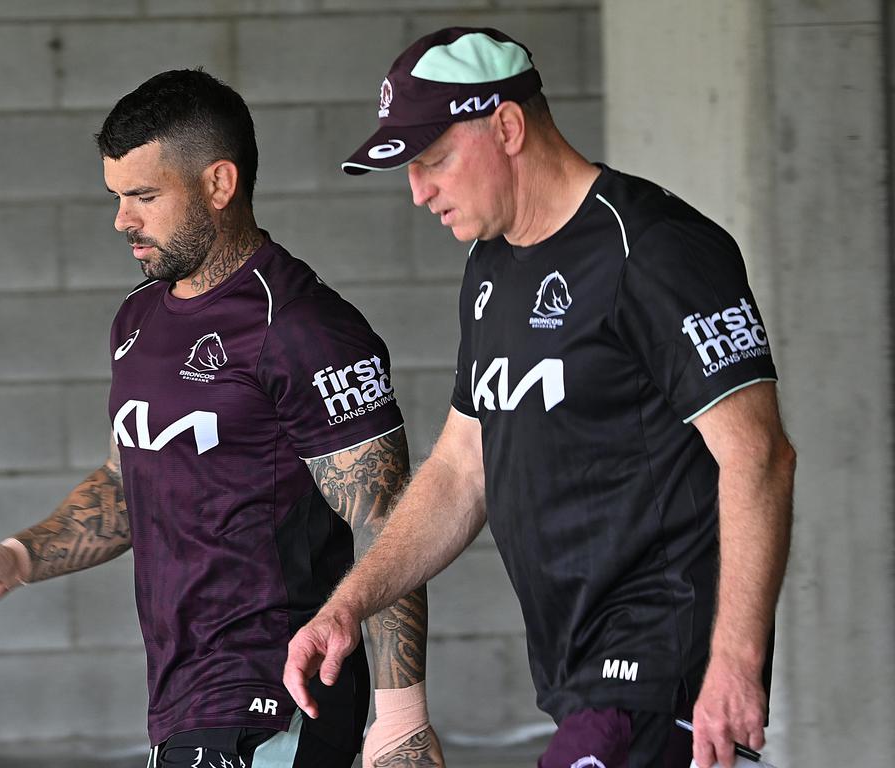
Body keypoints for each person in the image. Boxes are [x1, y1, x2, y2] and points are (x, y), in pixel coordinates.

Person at [284, 27, 795, 768]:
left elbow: (759, 456)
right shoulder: (489, 271)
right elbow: (463, 468)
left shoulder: (654, 249)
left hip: (663, 664)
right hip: (577, 675)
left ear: (509, 126)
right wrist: (348, 604)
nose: (418, 191)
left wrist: (736, 666)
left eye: (432, 161)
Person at [0, 69, 444, 768]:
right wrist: (16, 559)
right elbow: (128, 480)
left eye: (143, 196)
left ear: (219, 185)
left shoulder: (303, 327)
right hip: (182, 701)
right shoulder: (137, 319)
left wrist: (402, 717)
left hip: (280, 694)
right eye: (117, 196)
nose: (121, 219)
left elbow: (386, 518)